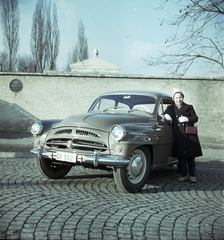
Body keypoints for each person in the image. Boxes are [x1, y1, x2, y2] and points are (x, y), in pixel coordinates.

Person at [165, 88, 202, 183]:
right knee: (181, 157)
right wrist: (166, 116)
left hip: (189, 135)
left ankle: (192, 176)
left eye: (180, 97)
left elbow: (195, 118)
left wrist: (187, 119)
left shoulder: (189, 107)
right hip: (179, 135)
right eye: (176, 98)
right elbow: (164, 115)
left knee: (191, 156)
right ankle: (183, 175)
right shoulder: (170, 108)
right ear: (174, 99)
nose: (178, 100)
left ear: (183, 97)